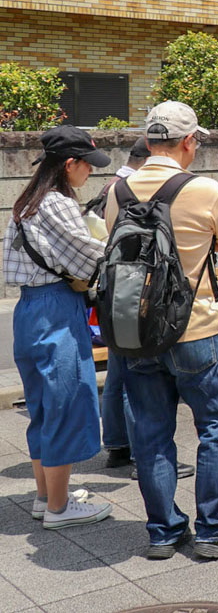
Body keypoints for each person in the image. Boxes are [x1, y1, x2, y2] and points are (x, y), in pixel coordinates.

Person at [106, 102, 218, 558]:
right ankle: (215, 530)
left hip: (137, 332)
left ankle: (165, 531)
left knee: (151, 434)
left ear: (149, 141)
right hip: (197, 329)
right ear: (189, 142)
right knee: (216, 426)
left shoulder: (119, 190)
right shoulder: (204, 189)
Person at [2, 125, 113, 529]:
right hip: (58, 308)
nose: (91, 173)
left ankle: (45, 496)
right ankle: (60, 508)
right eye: (88, 165)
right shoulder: (59, 203)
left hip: (29, 309)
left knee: (43, 406)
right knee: (67, 402)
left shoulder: (25, 201)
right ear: (70, 164)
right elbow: (89, 257)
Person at [95, 137, 193, 480]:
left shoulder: (113, 189)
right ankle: (137, 453)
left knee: (119, 374)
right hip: (142, 295)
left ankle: (119, 446)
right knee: (128, 381)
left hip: (119, 296)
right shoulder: (128, 188)